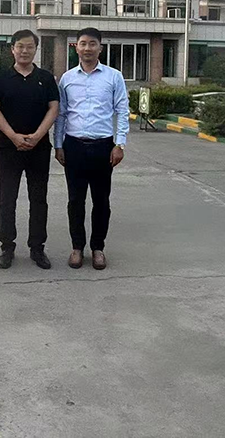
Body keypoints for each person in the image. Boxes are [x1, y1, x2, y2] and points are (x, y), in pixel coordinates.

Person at [54, 27, 129, 271]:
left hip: (103, 147)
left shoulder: (114, 77)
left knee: (101, 201)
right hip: (73, 146)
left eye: (92, 43)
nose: (87, 48)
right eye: (83, 43)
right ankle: (77, 247)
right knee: (75, 200)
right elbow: (61, 114)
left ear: (100, 47)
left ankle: (98, 248)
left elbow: (122, 111)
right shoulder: (67, 78)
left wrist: (119, 144)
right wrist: (58, 145)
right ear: (76, 47)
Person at [0, 29, 60, 270]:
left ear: (36, 49)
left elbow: (54, 108)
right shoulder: (0, 78)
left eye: (30, 46)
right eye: (20, 46)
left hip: (39, 149)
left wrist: (38, 136)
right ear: (12, 49)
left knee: (38, 199)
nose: (25, 51)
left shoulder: (45, 78)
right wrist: (13, 136)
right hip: (8, 149)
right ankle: (7, 247)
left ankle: (37, 248)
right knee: (7, 199)